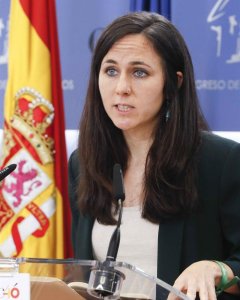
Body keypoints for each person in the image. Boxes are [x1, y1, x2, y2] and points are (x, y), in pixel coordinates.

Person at [68, 11, 240, 300]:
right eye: (110, 71)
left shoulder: (221, 162)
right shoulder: (83, 163)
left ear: (174, 83)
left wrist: (217, 269)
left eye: (139, 72)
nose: (121, 88)